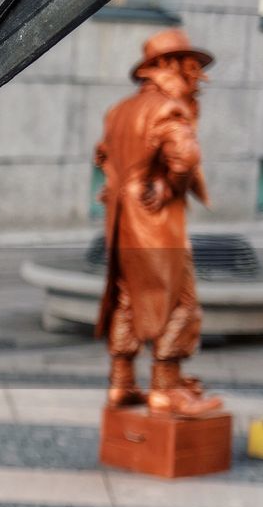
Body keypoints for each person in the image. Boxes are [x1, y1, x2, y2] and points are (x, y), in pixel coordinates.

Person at [93, 29, 222, 417]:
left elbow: (102, 155)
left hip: (121, 218)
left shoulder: (120, 110)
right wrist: (165, 187)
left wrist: (116, 184)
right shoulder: (169, 108)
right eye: (192, 67)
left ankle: (121, 383)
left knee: (129, 297)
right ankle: (167, 390)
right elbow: (185, 154)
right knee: (179, 299)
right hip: (153, 218)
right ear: (169, 66)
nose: (198, 76)